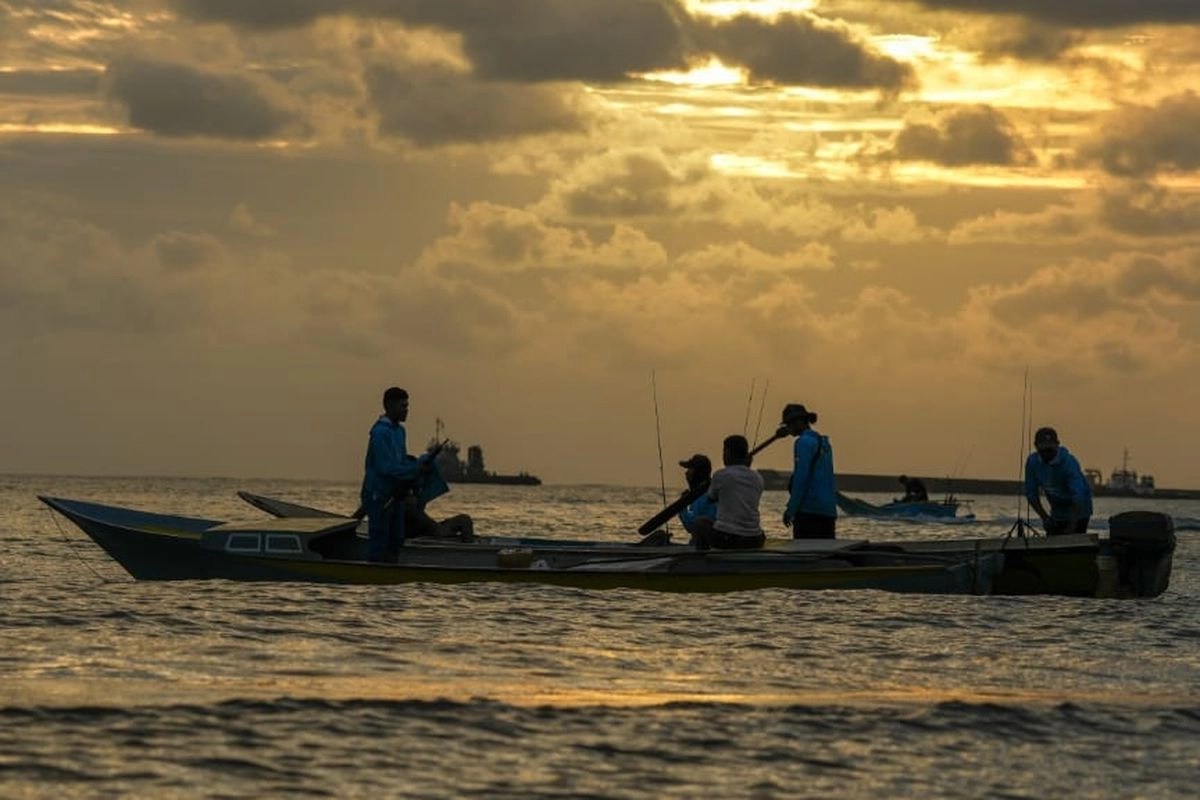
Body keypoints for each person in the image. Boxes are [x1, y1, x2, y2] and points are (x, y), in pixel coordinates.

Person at [360, 387, 439, 562]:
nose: (406, 410)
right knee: (379, 541)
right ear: (389, 405)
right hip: (378, 495)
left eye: (407, 406)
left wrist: (419, 465)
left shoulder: (400, 431)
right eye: (403, 406)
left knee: (396, 540)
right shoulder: (380, 433)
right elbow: (385, 468)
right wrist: (414, 469)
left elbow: (401, 460)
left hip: (395, 495)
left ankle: (390, 578)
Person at [694, 435, 765, 550]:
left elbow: (710, 498)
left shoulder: (721, 475)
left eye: (724, 451)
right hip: (755, 540)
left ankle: (704, 558)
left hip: (728, 539)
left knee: (699, 523)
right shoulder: (758, 478)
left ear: (727, 453)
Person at [781, 403, 837, 539]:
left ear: (799, 422)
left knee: (804, 552)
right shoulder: (824, 443)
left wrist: (791, 510)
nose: (788, 428)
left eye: (789, 424)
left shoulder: (803, 443)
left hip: (809, 511)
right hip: (828, 511)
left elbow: (801, 479)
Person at [1024, 426, 1093, 536]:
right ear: (1036, 446)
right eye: (1043, 450)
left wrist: (1071, 526)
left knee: (1072, 539)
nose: (1047, 454)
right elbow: (1031, 493)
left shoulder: (1069, 463)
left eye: (1050, 450)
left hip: (1080, 511)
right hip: (1057, 511)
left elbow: (1078, 496)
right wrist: (1045, 518)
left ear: (1057, 445)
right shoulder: (1032, 463)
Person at [676, 453, 717, 544]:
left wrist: (682, 506)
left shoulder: (703, 496)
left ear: (697, 472)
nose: (686, 473)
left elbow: (690, 525)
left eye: (690, 469)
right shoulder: (710, 489)